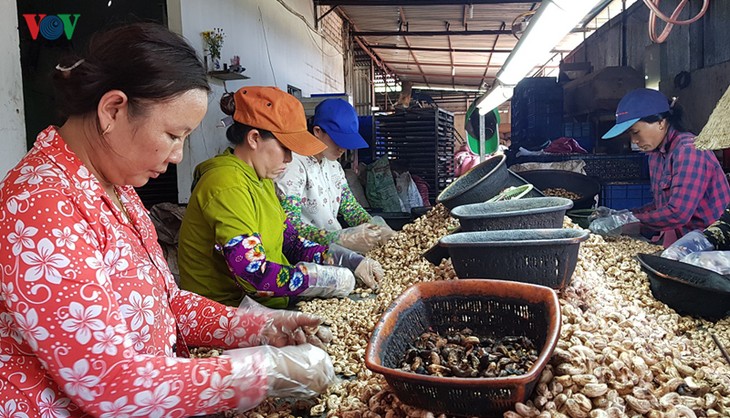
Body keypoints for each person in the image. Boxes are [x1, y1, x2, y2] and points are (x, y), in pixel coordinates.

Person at [0, 23, 336, 417]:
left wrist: (260, 329)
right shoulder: (39, 206)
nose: (178, 155)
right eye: (174, 135)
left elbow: (168, 303)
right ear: (113, 109)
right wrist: (263, 372)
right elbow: (109, 383)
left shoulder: (118, 189)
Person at [178, 87, 380, 310]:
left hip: (266, 305)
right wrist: (322, 279)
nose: (289, 158)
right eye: (285, 148)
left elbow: (291, 241)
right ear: (254, 138)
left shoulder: (261, 180)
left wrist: (346, 260)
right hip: (229, 314)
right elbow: (253, 273)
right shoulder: (226, 184)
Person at [590, 88, 730, 246]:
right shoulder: (656, 154)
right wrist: (622, 215)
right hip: (680, 238)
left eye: (635, 132)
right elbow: (661, 206)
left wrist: (624, 220)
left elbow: (677, 213)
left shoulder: (689, 150)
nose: (634, 140)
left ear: (660, 123)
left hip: (711, 244)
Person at [275, 98, 395, 256]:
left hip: (335, 253)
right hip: (307, 256)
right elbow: (291, 227)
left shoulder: (334, 166)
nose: (342, 148)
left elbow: (350, 209)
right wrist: (341, 238)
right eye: (338, 140)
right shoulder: (293, 165)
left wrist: (375, 227)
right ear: (317, 131)